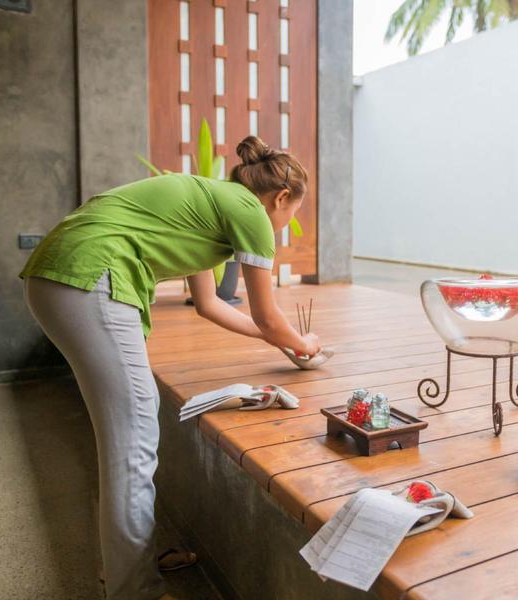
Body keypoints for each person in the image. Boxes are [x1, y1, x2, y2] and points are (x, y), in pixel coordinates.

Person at [19, 136, 321, 600]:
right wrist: (305, 344)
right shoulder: (249, 212)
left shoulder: (209, 203)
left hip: (64, 276)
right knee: (133, 440)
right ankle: (134, 589)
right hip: (92, 278)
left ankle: (125, 564)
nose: (282, 227)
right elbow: (267, 313)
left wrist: (279, 342)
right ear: (281, 198)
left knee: (124, 437)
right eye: (290, 217)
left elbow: (209, 305)